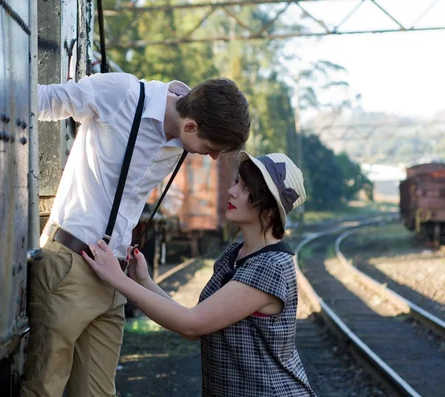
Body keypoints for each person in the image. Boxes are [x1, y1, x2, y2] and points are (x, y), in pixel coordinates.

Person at [22, 72, 251, 397]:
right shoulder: (121, 95)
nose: (212, 157)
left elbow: (180, 97)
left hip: (114, 278)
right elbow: (41, 101)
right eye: (211, 148)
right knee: (44, 389)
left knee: (98, 393)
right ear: (190, 127)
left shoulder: (180, 130)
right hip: (70, 267)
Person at [83, 151, 316, 397]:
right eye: (237, 181)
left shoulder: (271, 266)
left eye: (246, 189)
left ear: (268, 210)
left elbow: (192, 324)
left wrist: (117, 279)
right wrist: (144, 281)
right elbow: (197, 321)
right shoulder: (235, 254)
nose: (231, 191)